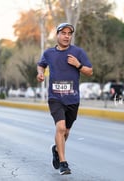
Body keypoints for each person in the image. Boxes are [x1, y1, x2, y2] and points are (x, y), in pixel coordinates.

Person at [36, 22, 93, 175]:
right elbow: (41, 65)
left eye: (69, 34)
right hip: (55, 98)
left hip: (73, 99)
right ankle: (63, 163)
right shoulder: (49, 53)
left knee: (66, 132)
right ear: (58, 35)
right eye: (64, 33)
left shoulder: (78, 52)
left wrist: (78, 65)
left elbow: (90, 71)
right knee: (60, 128)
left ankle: (56, 148)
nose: (67, 36)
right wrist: (40, 73)